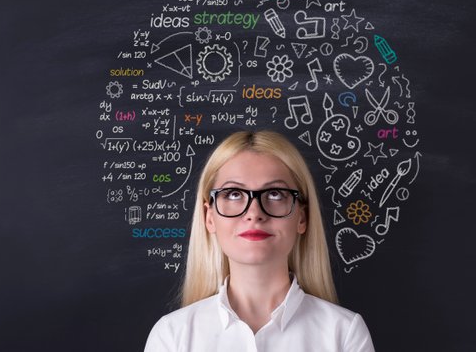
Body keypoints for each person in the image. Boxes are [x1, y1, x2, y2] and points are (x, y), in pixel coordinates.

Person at [145, 130, 375, 352]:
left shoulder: (344, 334)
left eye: (275, 194)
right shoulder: (172, 335)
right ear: (210, 218)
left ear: (302, 217)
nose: (254, 213)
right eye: (234, 194)